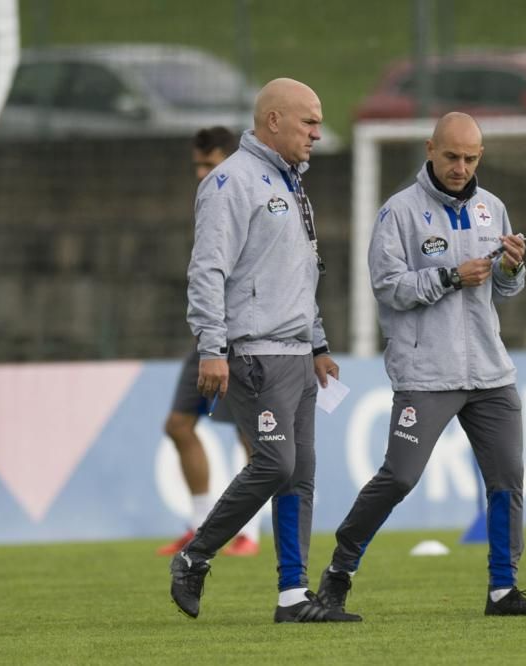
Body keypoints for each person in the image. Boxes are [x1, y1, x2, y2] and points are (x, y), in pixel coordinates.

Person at [315, 112, 526, 618]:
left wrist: (513, 268)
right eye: (451, 156)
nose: (460, 167)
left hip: (491, 374)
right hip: (427, 375)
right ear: (430, 149)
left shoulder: (494, 209)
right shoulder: (399, 213)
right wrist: (448, 277)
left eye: (471, 158)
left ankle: (503, 590)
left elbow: (505, 289)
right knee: (399, 477)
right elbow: (387, 289)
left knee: (507, 479)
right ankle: (338, 573)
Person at [169, 78, 359, 623]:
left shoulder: (291, 184)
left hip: (298, 354)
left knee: (300, 474)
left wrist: (318, 343)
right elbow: (207, 270)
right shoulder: (231, 182)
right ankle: (194, 555)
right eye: (309, 122)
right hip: (252, 352)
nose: (318, 134)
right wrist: (211, 347)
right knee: (276, 463)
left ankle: (293, 596)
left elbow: (298, 277)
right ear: (273, 120)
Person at [158, 126, 261, 558]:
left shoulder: (245, 194)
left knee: (249, 437)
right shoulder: (210, 199)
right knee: (178, 425)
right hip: (207, 334)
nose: (202, 173)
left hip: (242, 336)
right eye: (197, 165)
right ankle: (200, 526)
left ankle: (247, 534)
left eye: (210, 163)